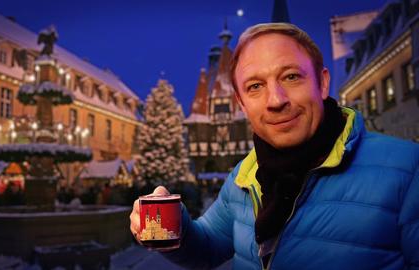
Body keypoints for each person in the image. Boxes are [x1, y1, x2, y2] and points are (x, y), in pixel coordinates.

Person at [129, 23, 419, 270]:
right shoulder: (245, 175)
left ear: (322, 82)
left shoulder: (409, 171)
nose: (276, 100)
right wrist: (173, 225)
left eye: (291, 77)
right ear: (241, 104)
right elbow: (208, 246)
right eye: (255, 86)